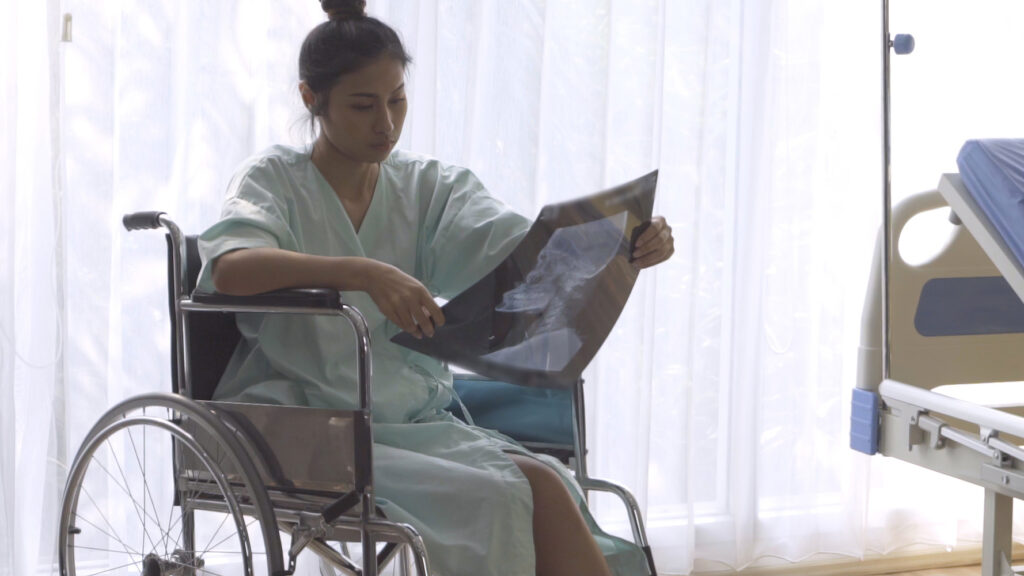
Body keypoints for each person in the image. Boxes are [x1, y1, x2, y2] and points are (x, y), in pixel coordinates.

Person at [196, 1, 675, 574]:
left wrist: (625, 242)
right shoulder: (271, 178)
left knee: (551, 483)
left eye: (398, 99)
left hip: (409, 418)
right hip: (307, 423)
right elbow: (231, 267)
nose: (386, 124)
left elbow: (523, 252)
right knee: (497, 500)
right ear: (311, 99)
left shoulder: (427, 186)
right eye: (363, 105)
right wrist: (362, 271)